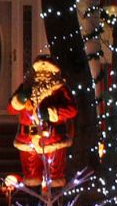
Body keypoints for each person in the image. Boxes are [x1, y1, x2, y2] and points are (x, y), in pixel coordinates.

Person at [8, 54, 76, 188]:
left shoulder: (59, 89)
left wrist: (51, 113)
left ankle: (54, 198)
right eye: (39, 71)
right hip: (28, 140)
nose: (42, 74)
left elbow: (72, 109)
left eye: (46, 71)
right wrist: (19, 100)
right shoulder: (26, 88)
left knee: (55, 177)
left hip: (52, 139)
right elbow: (11, 109)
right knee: (31, 177)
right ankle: (33, 198)